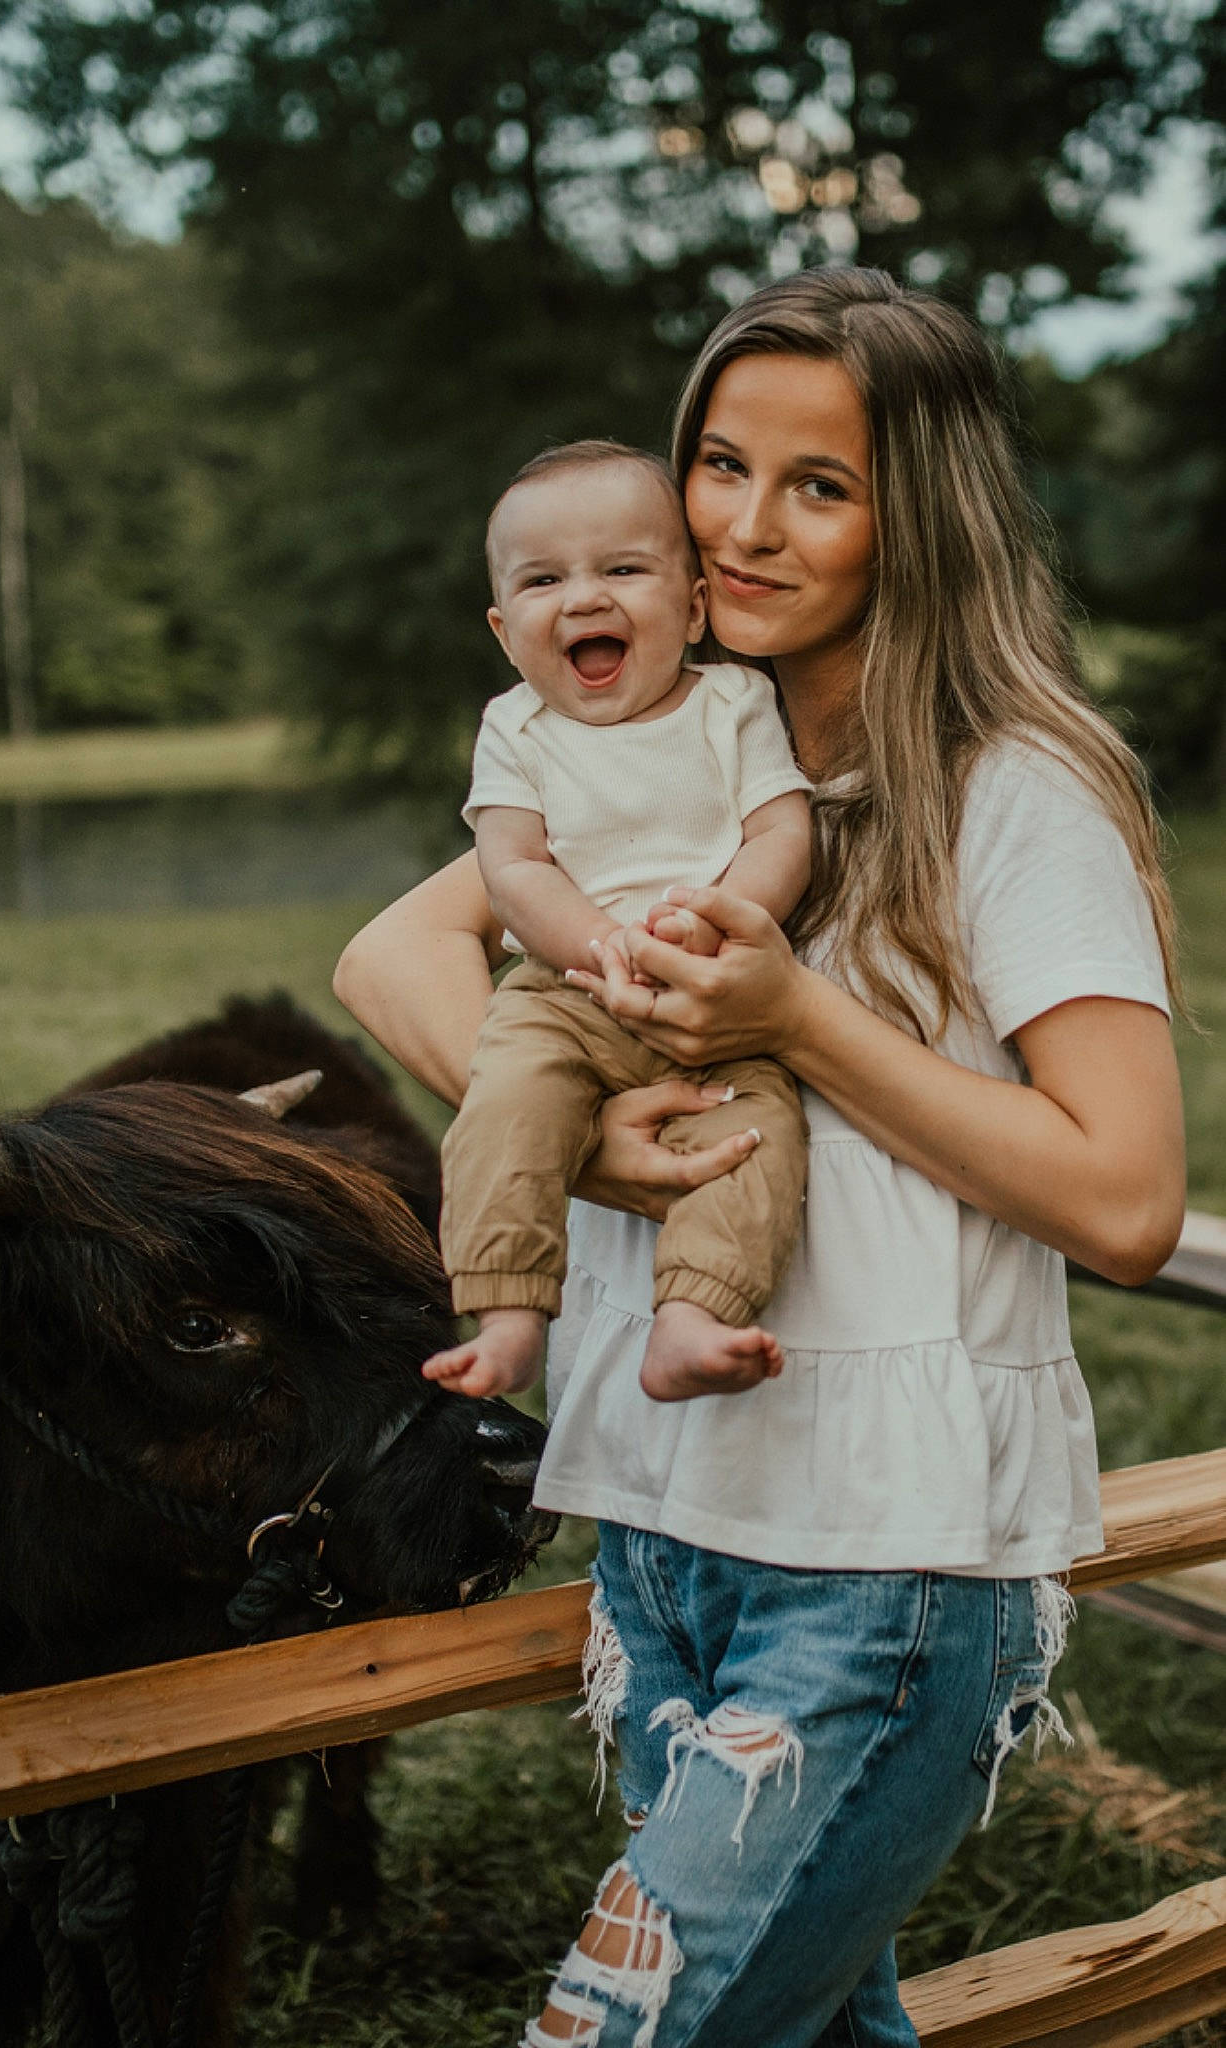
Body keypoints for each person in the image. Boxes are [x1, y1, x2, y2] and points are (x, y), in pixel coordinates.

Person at [333, 267, 1186, 2048]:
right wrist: (598, 1146)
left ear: (920, 517)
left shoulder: (1012, 787)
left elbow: (1123, 1199)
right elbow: (396, 956)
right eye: (720, 464)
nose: (741, 525)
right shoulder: (663, 743)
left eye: (820, 485)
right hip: (665, 1534)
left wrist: (793, 1019)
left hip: (881, 1562)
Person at [426, 439, 813, 1405]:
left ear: (693, 608)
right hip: (564, 992)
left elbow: (781, 831)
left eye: (623, 570)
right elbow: (514, 867)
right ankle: (508, 1313)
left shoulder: (733, 703)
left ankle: (691, 1318)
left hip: (717, 995)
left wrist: (723, 920)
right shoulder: (516, 729)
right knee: (506, 1106)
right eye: (543, 580)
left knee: (756, 1137)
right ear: (503, 629)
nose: (583, 599)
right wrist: (602, 946)